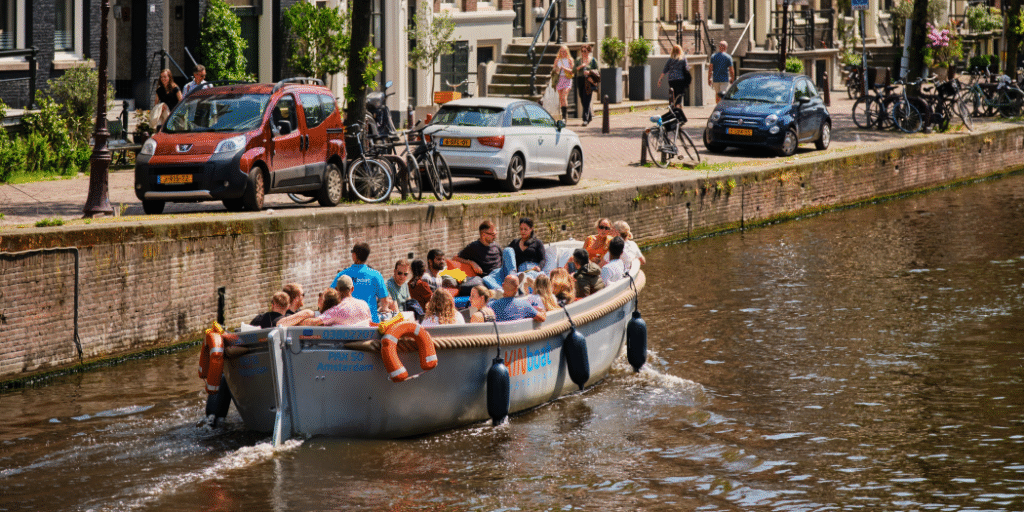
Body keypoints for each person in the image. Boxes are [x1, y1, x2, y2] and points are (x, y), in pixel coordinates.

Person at [330, 242, 391, 323]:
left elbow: (329, 295)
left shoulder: (342, 275)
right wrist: (384, 308)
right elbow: (385, 301)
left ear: (354, 255)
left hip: (348, 323)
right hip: (371, 323)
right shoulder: (376, 275)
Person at [455, 220, 513, 290]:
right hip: (490, 277)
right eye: (493, 234)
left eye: (495, 234)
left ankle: (514, 278)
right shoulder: (474, 247)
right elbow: (455, 258)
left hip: (501, 272)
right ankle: (502, 290)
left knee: (509, 250)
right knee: (485, 279)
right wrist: (472, 263)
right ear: (483, 234)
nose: (495, 237)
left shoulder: (496, 245)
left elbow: (505, 261)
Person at [574, 44, 599, 126]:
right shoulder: (578, 60)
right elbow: (574, 70)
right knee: (582, 99)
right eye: (582, 51)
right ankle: (589, 116)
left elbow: (597, 71)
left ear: (588, 51)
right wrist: (581, 66)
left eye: (585, 51)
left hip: (588, 81)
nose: (583, 53)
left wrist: (589, 72)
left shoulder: (593, 60)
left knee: (586, 100)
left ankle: (585, 119)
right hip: (580, 80)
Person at [553, 45, 575, 121]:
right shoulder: (557, 60)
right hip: (559, 79)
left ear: (567, 51)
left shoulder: (570, 60)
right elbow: (554, 70)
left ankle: (564, 117)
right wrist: (557, 69)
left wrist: (564, 68)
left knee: (564, 97)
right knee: (561, 98)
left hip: (567, 79)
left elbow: (573, 71)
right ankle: (563, 115)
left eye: (564, 51)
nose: (563, 53)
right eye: (561, 51)